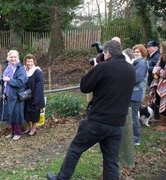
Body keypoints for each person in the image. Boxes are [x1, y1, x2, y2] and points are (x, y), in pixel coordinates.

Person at [46, 40, 135, 180]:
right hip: (118, 123)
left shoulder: (104, 67)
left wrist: (95, 68)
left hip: (98, 121)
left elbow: (84, 87)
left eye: (104, 54)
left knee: (75, 149)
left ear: (108, 52)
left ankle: (61, 178)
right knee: (111, 160)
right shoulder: (131, 69)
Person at [0, 50, 27, 141]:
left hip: (16, 96)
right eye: (11, 57)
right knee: (10, 113)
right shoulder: (8, 67)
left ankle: (18, 133)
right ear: (8, 58)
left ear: (18, 58)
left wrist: (9, 80)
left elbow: (21, 82)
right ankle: (12, 132)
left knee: (16, 113)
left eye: (15, 57)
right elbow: (3, 79)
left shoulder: (20, 69)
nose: (13, 59)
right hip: (8, 94)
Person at [23, 54, 45, 136]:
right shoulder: (24, 71)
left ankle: (33, 129)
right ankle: (28, 127)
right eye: (28, 61)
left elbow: (39, 87)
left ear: (34, 62)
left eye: (31, 61)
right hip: (25, 96)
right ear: (25, 62)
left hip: (35, 96)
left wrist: (36, 99)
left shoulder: (37, 72)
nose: (29, 63)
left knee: (34, 114)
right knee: (26, 114)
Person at [130, 44, 148, 145]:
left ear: (142, 53)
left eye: (138, 52)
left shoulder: (142, 64)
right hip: (132, 93)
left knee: (134, 116)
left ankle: (136, 139)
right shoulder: (136, 63)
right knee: (131, 115)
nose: (136, 54)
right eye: (135, 52)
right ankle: (130, 135)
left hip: (136, 93)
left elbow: (137, 79)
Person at [150, 41, 166, 131]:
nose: (159, 49)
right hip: (160, 82)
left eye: (161, 48)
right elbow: (156, 68)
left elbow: (163, 72)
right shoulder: (161, 58)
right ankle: (161, 121)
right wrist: (157, 72)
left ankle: (164, 123)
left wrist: (158, 71)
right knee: (159, 100)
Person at [146, 40, 161, 121]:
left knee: (156, 98)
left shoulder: (156, 56)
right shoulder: (154, 55)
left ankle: (156, 117)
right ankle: (155, 116)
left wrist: (147, 67)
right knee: (154, 98)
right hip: (153, 81)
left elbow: (157, 69)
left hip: (155, 82)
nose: (147, 48)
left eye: (149, 47)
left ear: (155, 47)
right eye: (147, 46)